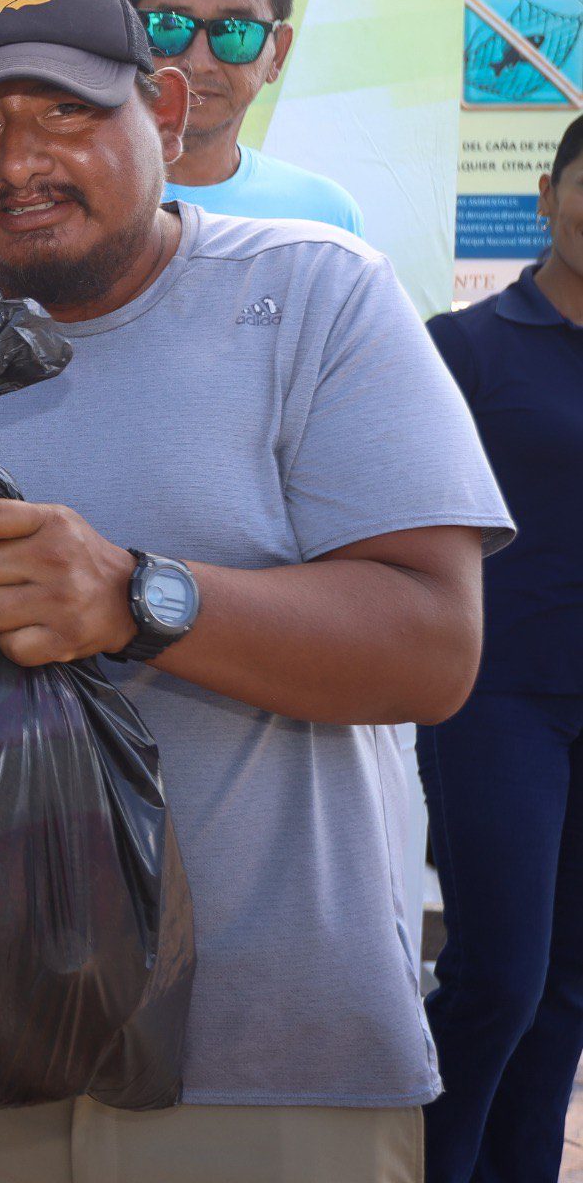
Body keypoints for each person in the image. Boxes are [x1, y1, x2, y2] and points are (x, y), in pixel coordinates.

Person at [0, 0, 511, 1183]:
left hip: (264, 1053)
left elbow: (433, 650)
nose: (23, 162)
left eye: (71, 110)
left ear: (161, 113)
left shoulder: (319, 297)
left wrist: (137, 597)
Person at [418, 114, 583, 1183]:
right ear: (545, 192)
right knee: (499, 978)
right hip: (497, 698)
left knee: (570, 983)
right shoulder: (463, 346)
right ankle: (416, 1162)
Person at [124, 0, 365, 234]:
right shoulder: (72, 203)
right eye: (169, 26)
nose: (200, 61)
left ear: (277, 53)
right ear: (126, 33)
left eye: (237, 31)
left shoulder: (324, 220)